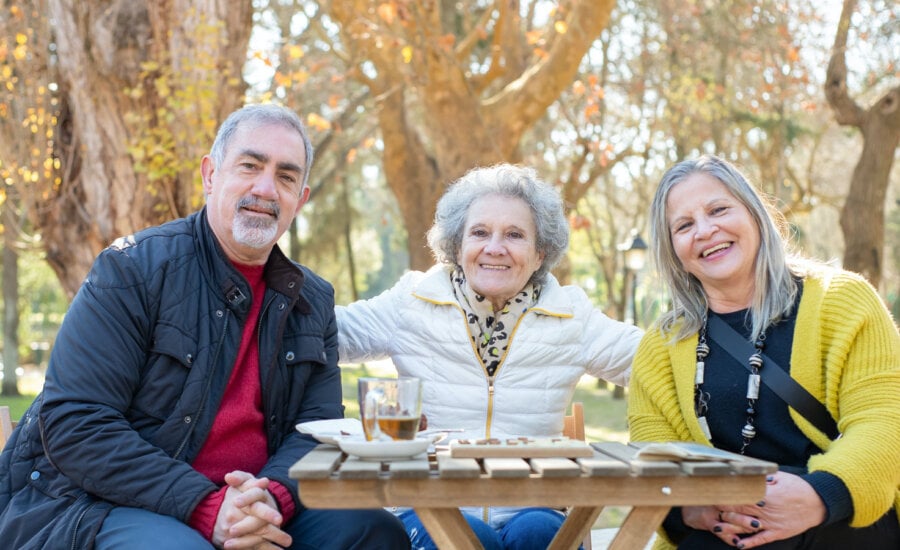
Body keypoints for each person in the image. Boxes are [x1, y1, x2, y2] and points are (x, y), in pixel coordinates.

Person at [0, 104, 409, 550]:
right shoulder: (132, 269)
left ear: (301, 199)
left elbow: (317, 428)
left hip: (256, 504)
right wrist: (204, 506)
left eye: (286, 177)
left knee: (375, 532)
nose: (265, 188)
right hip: (108, 503)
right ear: (211, 175)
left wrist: (271, 499)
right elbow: (75, 423)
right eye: (250, 166)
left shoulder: (312, 299)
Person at [337, 163, 643, 549]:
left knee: (542, 536)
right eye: (479, 233)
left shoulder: (570, 315)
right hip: (430, 507)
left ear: (539, 254)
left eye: (514, 235)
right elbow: (327, 335)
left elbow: (653, 361)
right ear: (457, 246)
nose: (494, 247)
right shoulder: (411, 302)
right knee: (465, 539)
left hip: (537, 507)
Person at [628, 154, 900, 550]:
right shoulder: (662, 345)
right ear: (673, 250)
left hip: (842, 518)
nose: (705, 230)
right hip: (723, 529)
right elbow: (653, 455)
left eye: (718, 209)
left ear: (755, 213)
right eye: (684, 225)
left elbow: (884, 420)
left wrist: (819, 496)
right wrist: (689, 509)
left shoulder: (844, 301)